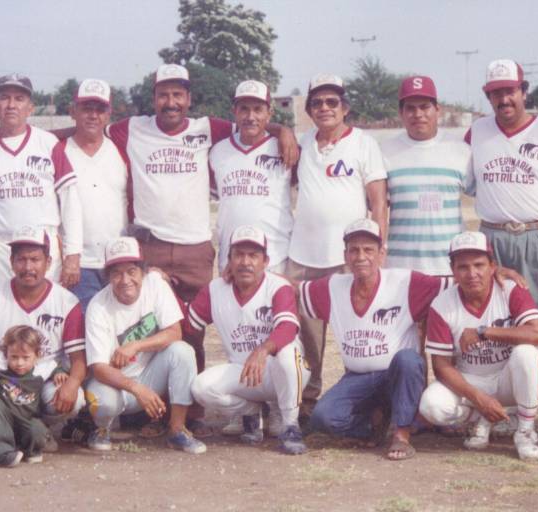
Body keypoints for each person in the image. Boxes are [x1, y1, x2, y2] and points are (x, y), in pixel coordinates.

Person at [104, 65, 298, 418]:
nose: (171, 102)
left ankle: (189, 412)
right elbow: (88, 127)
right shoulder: (133, 128)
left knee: (191, 331)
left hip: (195, 247)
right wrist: (35, 132)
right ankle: (148, 408)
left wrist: (282, 129)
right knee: (149, 325)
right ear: (153, 98)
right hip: (150, 244)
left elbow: (251, 124)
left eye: (178, 94)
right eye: (163, 94)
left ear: (189, 98)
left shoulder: (208, 129)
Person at [299, 219, 444, 460]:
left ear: (381, 254)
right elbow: (291, 290)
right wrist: (251, 274)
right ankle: (372, 427)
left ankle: (402, 434)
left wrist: (498, 271)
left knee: (408, 359)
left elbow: (458, 283)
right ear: (345, 255)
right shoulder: (333, 286)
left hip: (398, 375)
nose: (361, 256)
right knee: (323, 417)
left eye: (368, 250)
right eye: (354, 250)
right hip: (357, 378)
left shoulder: (405, 282)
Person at [287, 74, 388, 417]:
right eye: (317, 103)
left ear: (345, 107)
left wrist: (378, 251)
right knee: (307, 339)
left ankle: (361, 403)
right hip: (303, 256)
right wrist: (279, 129)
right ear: (309, 110)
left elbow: (378, 202)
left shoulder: (363, 144)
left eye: (332, 102)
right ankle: (306, 401)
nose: (325, 108)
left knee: (358, 334)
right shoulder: (303, 143)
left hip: (351, 258)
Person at [0, 226, 87, 466]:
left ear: (48, 261)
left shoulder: (66, 301)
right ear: (11, 262)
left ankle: (36, 429)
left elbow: (78, 359)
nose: (28, 267)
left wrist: (73, 384)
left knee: (74, 399)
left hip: (42, 373)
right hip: (3, 374)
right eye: (21, 259)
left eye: (35, 259)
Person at [419, 231, 538, 460]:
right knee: (431, 406)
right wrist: (479, 399)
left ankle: (526, 430)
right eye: (463, 267)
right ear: (453, 270)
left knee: (527, 353)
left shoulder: (509, 289)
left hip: (508, 378)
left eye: (479, 265)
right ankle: (481, 417)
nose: (472, 274)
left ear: (492, 266)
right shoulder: (442, 304)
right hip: (471, 380)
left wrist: (484, 332)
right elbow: (441, 367)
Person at [465, 59, 538, 315]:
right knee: (496, 315)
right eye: (496, 93)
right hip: (492, 237)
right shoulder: (476, 132)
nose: (504, 99)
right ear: (488, 96)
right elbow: (467, 183)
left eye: (510, 91)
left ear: (524, 92)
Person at [188, 226, 310, 454]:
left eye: (253, 255)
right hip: (244, 372)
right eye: (239, 255)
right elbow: (188, 325)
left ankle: (290, 425)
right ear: (229, 260)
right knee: (201, 388)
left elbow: (287, 328)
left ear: (265, 261)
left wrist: (262, 351)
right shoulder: (215, 290)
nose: (246, 262)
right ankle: (250, 411)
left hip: (284, 371)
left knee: (287, 354)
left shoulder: (277, 286)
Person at [0, 73, 82, 299]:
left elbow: (70, 201)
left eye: (19, 99)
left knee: (48, 320)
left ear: (30, 107)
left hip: (44, 247)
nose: (11, 105)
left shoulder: (48, 144)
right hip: (0, 248)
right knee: (4, 323)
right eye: (5, 98)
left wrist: (73, 254)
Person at [83, 237, 205, 454]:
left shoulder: (155, 285)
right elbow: (99, 368)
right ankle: (102, 429)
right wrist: (136, 388)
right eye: (116, 273)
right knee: (102, 402)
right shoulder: (98, 305)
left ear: (143, 272)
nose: (125, 280)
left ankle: (177, 430)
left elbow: (174, 332)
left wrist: (136, 346)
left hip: (150, 376)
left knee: (183, 351)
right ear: (108, 277)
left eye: (132, 271)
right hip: (116, 384)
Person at [381, 75, 472, 275]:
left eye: (424, 107)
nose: (418, 114)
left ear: (437, 110)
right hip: (400, 269)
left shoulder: (461, 151)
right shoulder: (384, 152)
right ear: (401, 113)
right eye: (410, 108)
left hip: (449, 267)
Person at [209, 80, 293, 274]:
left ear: (269, 113)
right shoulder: (218, 151)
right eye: (244, 109)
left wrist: (284, 130)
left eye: (258, 109)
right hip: (231, 259)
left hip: (276, 257)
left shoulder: (285, 148)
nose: (250, 116)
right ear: (234, 112)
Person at [64, 78, 129, 312]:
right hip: (79, 265)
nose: (93, 115)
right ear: (73, 111)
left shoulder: (121, 150)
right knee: (83, 332)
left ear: (108, 114)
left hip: (119, 261)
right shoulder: (58, 151)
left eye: (100, 109)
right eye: (86, 108)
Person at [0, 326, 58, 467]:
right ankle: (2, 454)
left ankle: (30, 451)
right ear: (6, 353)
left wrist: (61, 373)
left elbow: (57, 365)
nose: (19, 363)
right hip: (3, 422)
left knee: (38, 430)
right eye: (14, 357)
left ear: (37, 355)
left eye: (26, 358)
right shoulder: (1, 363)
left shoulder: (41, 369)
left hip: (26, 421)